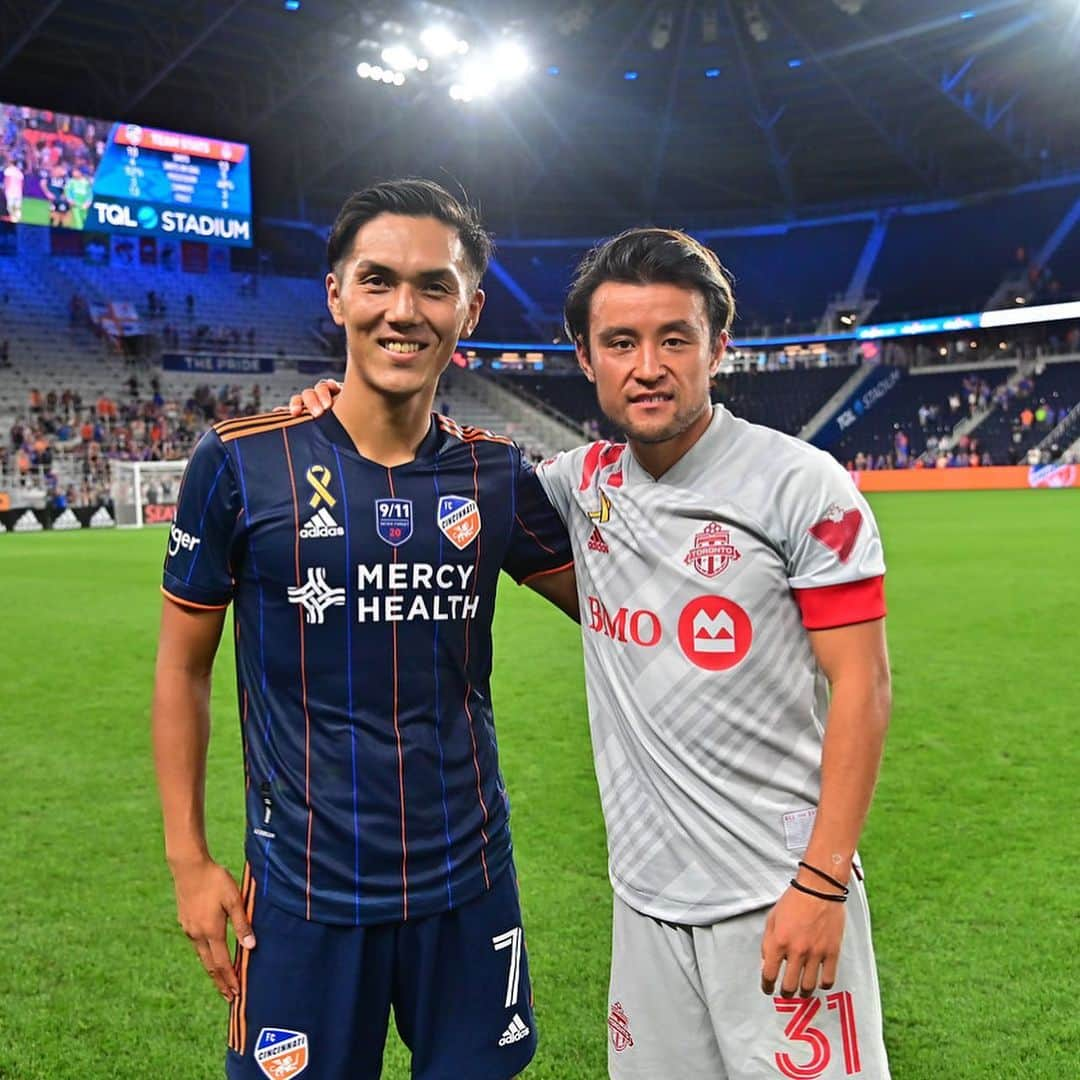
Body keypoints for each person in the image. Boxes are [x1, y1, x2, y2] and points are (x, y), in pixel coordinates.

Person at [296, 227, 892, 1079]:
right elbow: (440, 480)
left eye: (674, 338)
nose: (648, 365)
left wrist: (824, 882)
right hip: (645, 906)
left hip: (778, 892)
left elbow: (863, 684)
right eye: (621, 342)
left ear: (718, 347)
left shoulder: (800, 486)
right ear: (586, 358)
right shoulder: (579, 487)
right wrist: (342, 414)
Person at [153, 179, 577, 1080]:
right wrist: (189, 859)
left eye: (434, 286)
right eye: (378, 279)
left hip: (469, 886)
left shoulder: (497, 477)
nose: (404, 310)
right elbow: (183, 669)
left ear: (471, 308)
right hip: (303, 898)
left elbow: (626, 610)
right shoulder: (239, 462)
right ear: (337, 292)